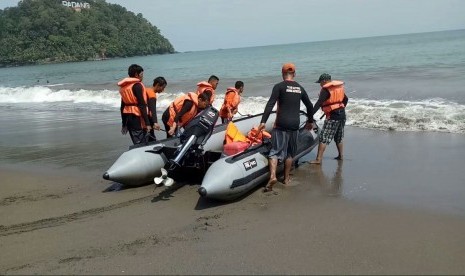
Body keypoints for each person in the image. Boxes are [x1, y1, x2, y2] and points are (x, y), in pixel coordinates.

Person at [257, 63, 314, 192]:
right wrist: (310, 121)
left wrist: (263, 121)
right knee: (289, 154)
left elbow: (270, 104)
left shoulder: (279, 87)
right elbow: (310, 106)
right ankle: (286, 178)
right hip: (294, 125)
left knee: (275, 152)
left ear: (282, 74)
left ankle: (272, 176)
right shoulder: (300, 88)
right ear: (294, 74)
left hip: (281, 124)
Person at [309, 73, 349, 164]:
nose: (320, 84)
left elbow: (319, 103)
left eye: (320, 82)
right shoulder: (338, 88)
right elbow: (346, 99)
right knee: (339, 136)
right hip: (342, 115)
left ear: (324, 81)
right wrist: (340, 107)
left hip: (333, 116)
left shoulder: (326, 90)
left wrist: (310, 115)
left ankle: (318, 159)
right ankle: (340, 156)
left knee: (323, 137)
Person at [118, 64, 152, 145]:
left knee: (136, 141)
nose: (142, 77)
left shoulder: (124, 87)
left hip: (128, 118)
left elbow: (122, 107)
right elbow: (142, 105)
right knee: (141, 142)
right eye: (142, 74)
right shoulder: (137, 86)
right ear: (136, 74)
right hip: (137, 117)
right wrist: (147, 123)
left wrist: (124, 124)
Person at [145, 76, 167, 141]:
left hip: (143, 117)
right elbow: (153, 110)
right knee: (151, 139)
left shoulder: (147, 90)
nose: (163, 90)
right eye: (162, 87)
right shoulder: (152, 95)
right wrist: (155, 122)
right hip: (146, 119)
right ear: (157, 85)